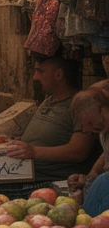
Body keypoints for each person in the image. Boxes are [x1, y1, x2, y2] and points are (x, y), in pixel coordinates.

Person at [6, 55, 97, 183]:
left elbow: (79, 152)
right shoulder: (49, 100)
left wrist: (33, 151)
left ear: (58, 74)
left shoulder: (80, 105)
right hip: (22, 171)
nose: (35, 77)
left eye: (40, 71)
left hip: (49, 180)